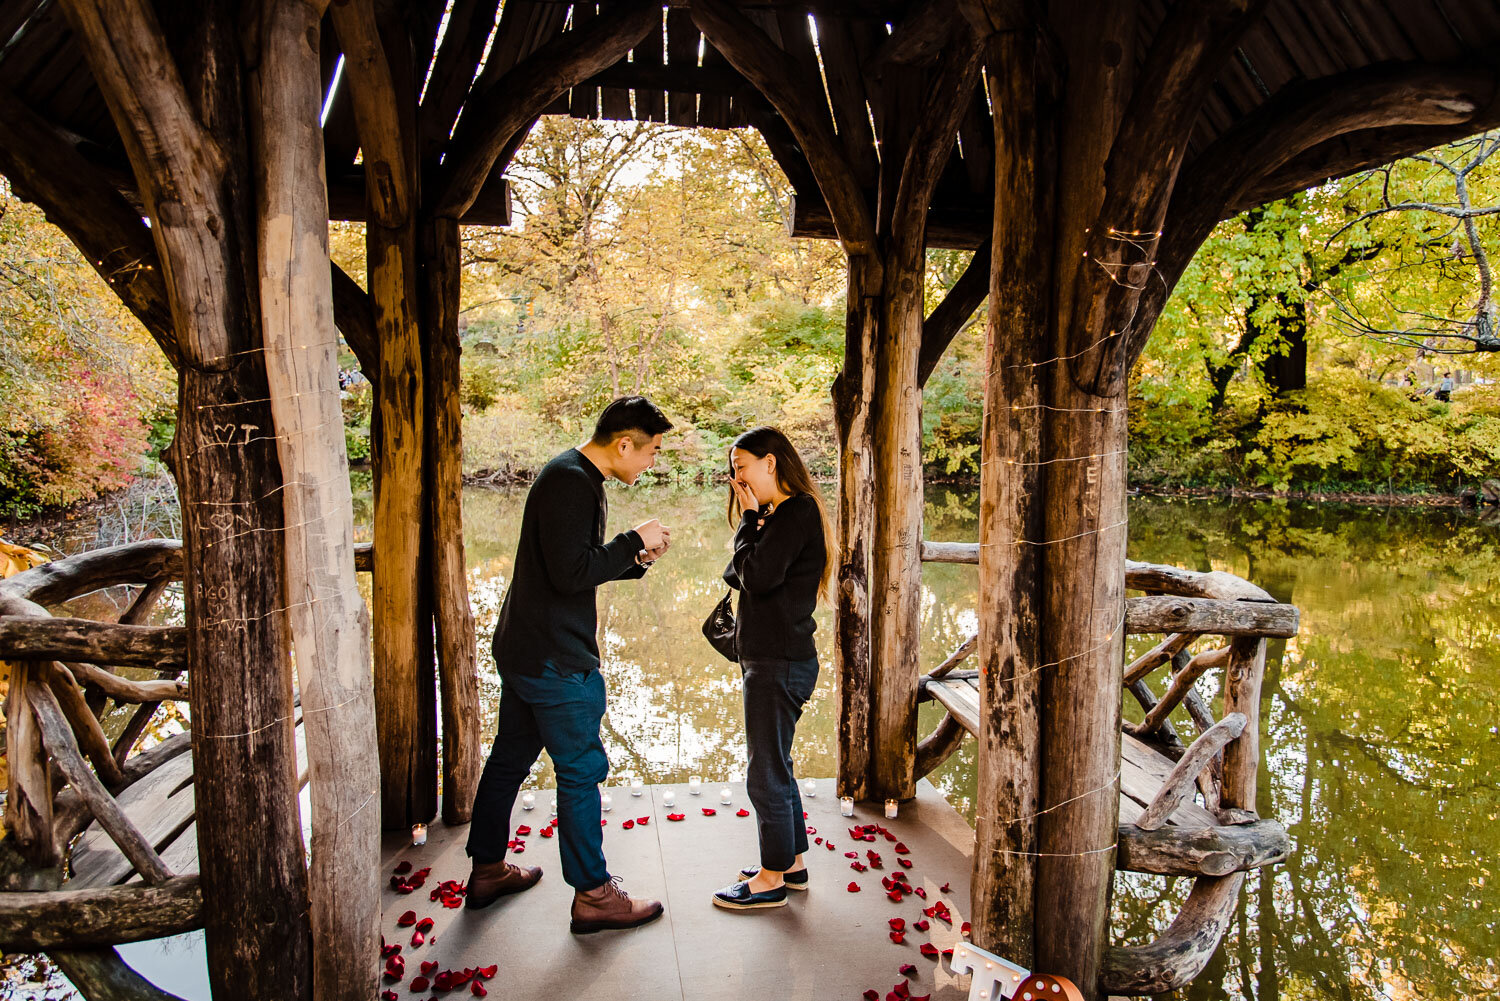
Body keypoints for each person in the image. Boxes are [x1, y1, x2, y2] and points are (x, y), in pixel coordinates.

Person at [465, 396, 673, 934]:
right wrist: (632, 541)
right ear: (623, 444)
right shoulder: (572, 481)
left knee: (510, 758)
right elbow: (568, 572)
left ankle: (487, 870)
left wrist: (634, 561)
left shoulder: (573, 475)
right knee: (581, 771)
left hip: (529, 649)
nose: (652, 462)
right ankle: (595, 896)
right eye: (650, 451)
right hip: (555, 659)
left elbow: (570, 566)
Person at [710, 426, 833, 911]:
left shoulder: (796, 511)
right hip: (773, 660)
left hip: (779, 664)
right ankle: (792, 865)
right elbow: (734, 574)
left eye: (741, 467)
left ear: (770, 463)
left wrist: (747, 520)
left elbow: (756, 575)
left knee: (764, 773)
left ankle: (770, 879)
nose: (736, 477)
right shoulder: (775, 515)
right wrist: (754, 520)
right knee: (775, 765)